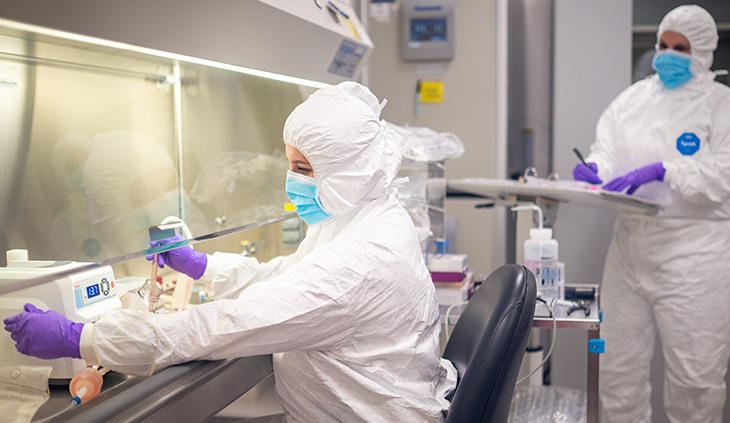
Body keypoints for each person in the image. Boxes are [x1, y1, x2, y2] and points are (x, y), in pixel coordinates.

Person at [4, 81, 457, 423]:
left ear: (349, 171)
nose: (290, 180)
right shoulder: (365, 216)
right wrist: (203, 266)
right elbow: (289, 277)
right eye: (289, 164)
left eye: (303, 168)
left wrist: (82, 340)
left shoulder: (362, 259)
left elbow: (222, 326)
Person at [572, 5, 730, 423]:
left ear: (704, 52)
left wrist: (665, 170)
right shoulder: (634, 99)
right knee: (616, 371)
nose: (668, 54)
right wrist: (596, 169)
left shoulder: (721, 104)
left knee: (695, 383)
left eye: (681, 47)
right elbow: (606, 152)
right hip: (628, 251)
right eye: (664, 44)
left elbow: (724, 178)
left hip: (695, 257)